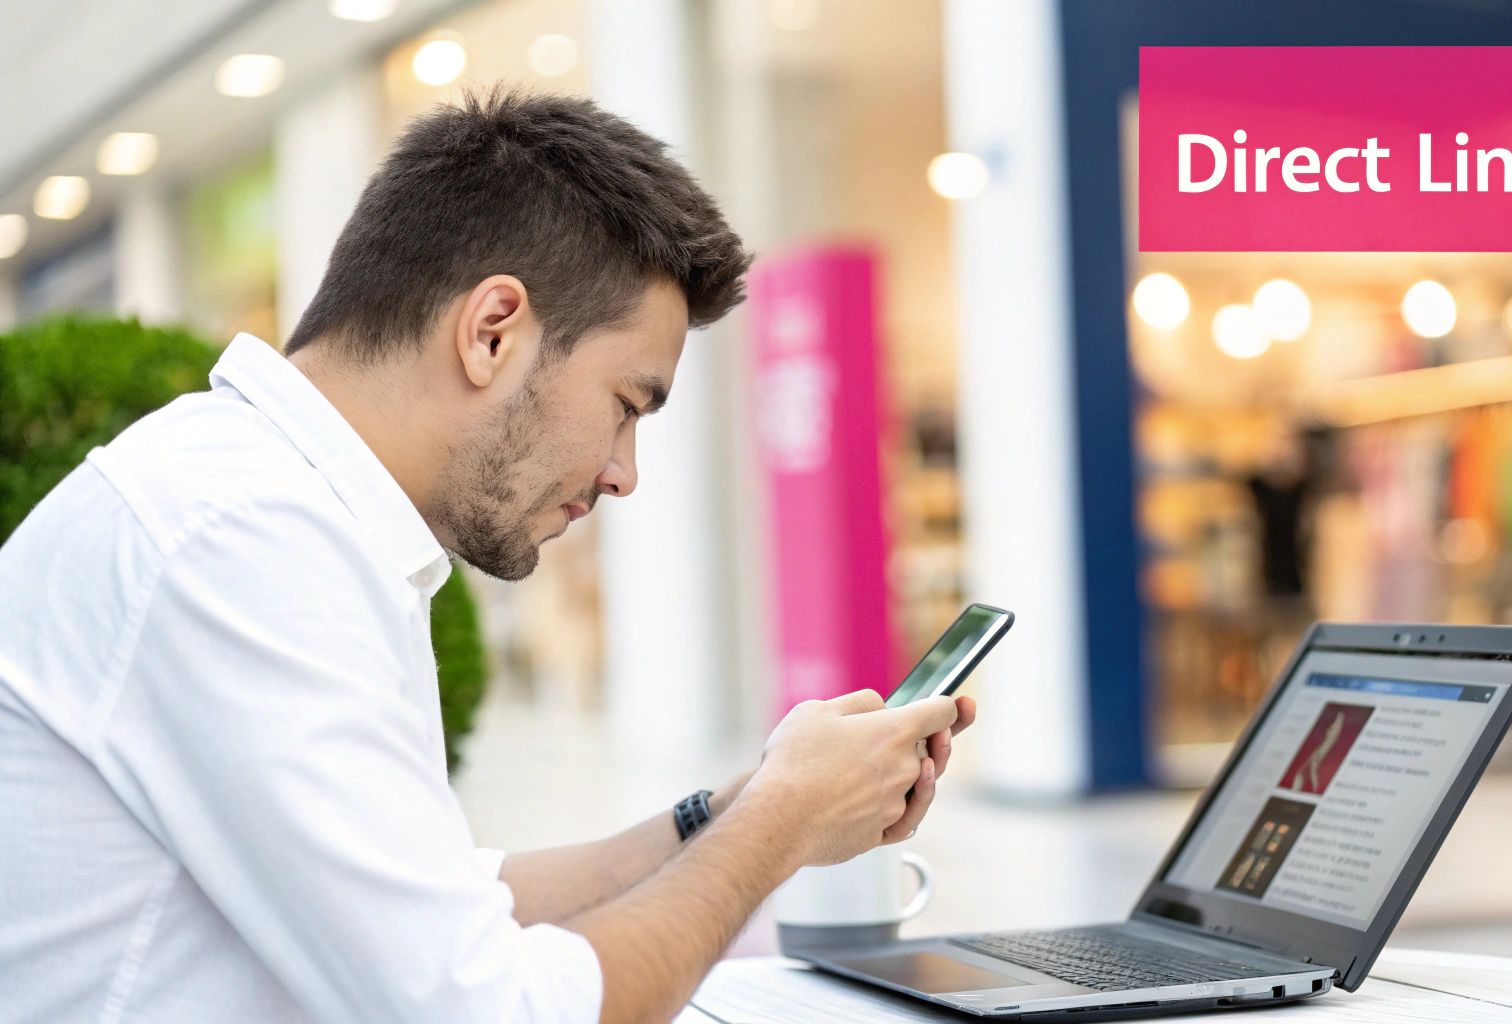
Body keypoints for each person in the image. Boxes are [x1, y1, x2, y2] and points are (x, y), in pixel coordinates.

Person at [0, 87, 974, 1024]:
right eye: (625, 406)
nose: (623, 472)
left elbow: (449, 902)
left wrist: (730, 810)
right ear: (492, 331)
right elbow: (488, 1009)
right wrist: (782, 825)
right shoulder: (240, 540)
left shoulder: (275, 505)